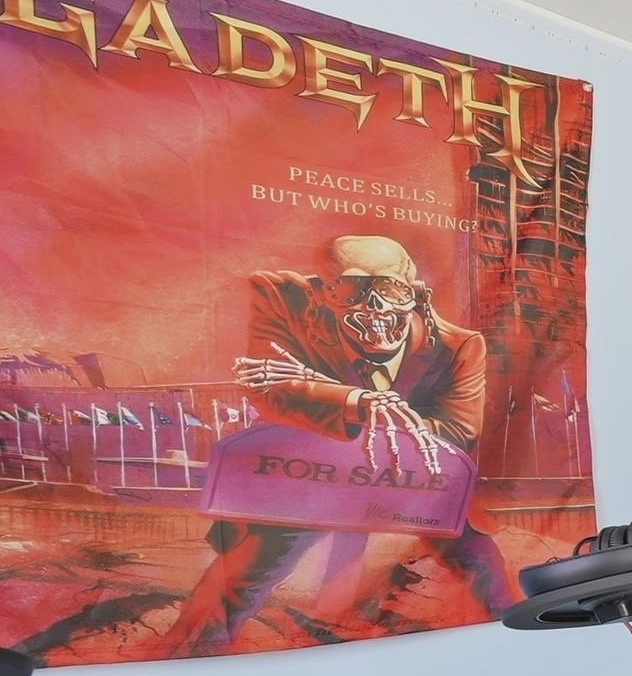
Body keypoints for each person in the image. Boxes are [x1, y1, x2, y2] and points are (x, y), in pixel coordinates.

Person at [159, 235, 518, 654]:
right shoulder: (285, 302)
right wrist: (356, 401)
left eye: (390, 289)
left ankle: (514, 632)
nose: (374, 307)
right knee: (245, 571)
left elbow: (457, 432)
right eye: (351, 289)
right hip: (315, 472)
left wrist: (378, 425)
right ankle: (184, 657)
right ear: (322, 294)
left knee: (477, 558)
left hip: (412, 475)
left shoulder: (458, 346)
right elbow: (274, 394)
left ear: (416, 294)